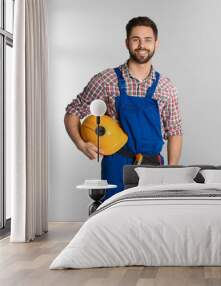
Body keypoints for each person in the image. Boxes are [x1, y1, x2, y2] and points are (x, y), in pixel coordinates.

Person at [64, 16, 183, 200]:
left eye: (147, 39)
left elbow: (174, 130)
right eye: (136, 39)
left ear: (156, 44)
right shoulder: (105, 80)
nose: (141, 45)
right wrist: (81, 144)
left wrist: (172, 171)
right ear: (127, 43)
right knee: (114, 219)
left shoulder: (166, 86)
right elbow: (73, 111)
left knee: (151, 220)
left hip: (153, 167)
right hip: (116, 164)